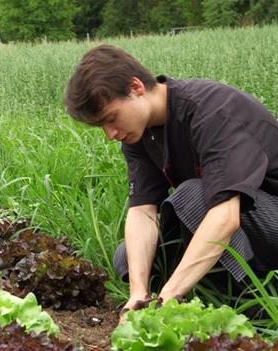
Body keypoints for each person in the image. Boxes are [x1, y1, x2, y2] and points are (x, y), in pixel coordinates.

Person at [64, 44, 278, 320]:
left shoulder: (211, 110)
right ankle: (207, 290)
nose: (110, 134)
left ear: (136, 87)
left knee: (192, 195)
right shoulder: (139, 134)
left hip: (267, 217)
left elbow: (225, 216)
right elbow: (143, 210)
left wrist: (168, 296)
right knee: (128, 256)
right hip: (235, 222)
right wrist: (138, 293)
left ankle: (258, 301)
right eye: (101, 126)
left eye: (111, 119)